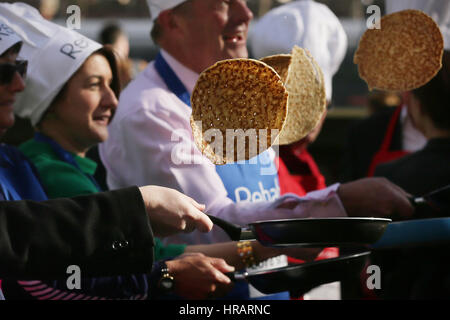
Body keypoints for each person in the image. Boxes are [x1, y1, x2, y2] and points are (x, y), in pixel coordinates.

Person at [99, 0, 414, 300]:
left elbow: (264, 204)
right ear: (172, 20)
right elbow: (214, 228)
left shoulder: (241, 94)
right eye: (225, 3)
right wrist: (334, 205)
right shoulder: (151, 111)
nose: (246, 14)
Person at [0, 5, 229, 300]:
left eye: (19, 70)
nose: (112, 99)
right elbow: (43, 274)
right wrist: (163, 274)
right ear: (51, 101)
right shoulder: (43, 168)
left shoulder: (19, 163)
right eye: (95, 86)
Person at [248, 0, 349, 300]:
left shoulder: (310, 165)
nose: (314, 118)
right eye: (302, 104)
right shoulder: (253, 162)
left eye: (322, 106)